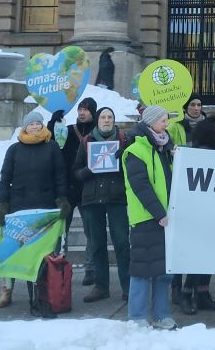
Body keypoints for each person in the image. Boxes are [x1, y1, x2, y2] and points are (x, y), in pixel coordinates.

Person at [0, 110, 69, 312]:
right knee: (11, 250)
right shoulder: (14, 150)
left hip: (44, 210)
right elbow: (5, 179)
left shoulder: (52, 147)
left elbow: (60, 176)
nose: (35, 126)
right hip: (19, 208)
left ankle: (41, 291)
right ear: (24, 127)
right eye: (31, 124)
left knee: (40, 252)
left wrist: (62, 199)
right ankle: (7, 290)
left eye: (38, 123)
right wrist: (2, 204)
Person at [122, 105, 178, 329]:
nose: (167, 124)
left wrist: (175, 157)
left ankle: (161, 314)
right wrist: (159, 214)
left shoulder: (163, 147)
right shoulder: (136, 150)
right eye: (163, 120)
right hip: (146, 218)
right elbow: (141, 187)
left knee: (164, 270)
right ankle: (137, 317)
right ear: (151, 122)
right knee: (142, 269)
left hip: (166, 218)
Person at [72, 106, 131, 303]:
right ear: (97, 120)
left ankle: (128, 286)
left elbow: (133, 168)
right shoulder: (87, 141)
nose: (106, 120)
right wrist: (88, 171)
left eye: (110, 117)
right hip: (92, 199)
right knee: (97, 244)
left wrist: (124, 158)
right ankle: (101, 286)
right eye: (103, 117)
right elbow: (76, 171)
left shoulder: (123, 139)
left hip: (117, 198)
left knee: (122, 243)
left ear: (114, 120)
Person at [179, 114, 215, 314]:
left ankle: (201, 294)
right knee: (198, 256)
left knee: (205, 255)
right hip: (201, 213)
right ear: (211, 132)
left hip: (210, 212)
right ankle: (187, 294)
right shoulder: (203, 154)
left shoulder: (212, 152)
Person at [58, 96, 97, 285]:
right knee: (60, 231)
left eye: (86, 109)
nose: (82, 112)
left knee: (91, 231)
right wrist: (53, 123)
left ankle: (90, 268)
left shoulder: (98, 132)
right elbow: (54, 145)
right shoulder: (68, 131)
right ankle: (57, 266)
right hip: (68, 188)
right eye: (80, 109)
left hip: (88, 188)